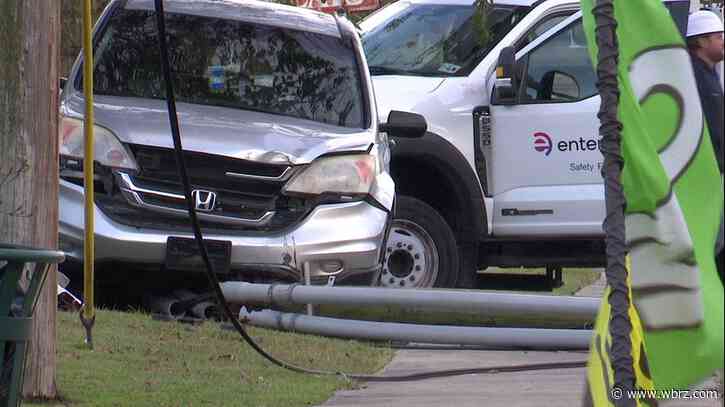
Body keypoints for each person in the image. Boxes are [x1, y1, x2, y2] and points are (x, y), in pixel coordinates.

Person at [687, 10, 724, 283]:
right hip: (708, 175)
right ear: (700, 42)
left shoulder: (710, 74)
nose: (724, 40)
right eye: (719, 36)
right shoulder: (695, 78)